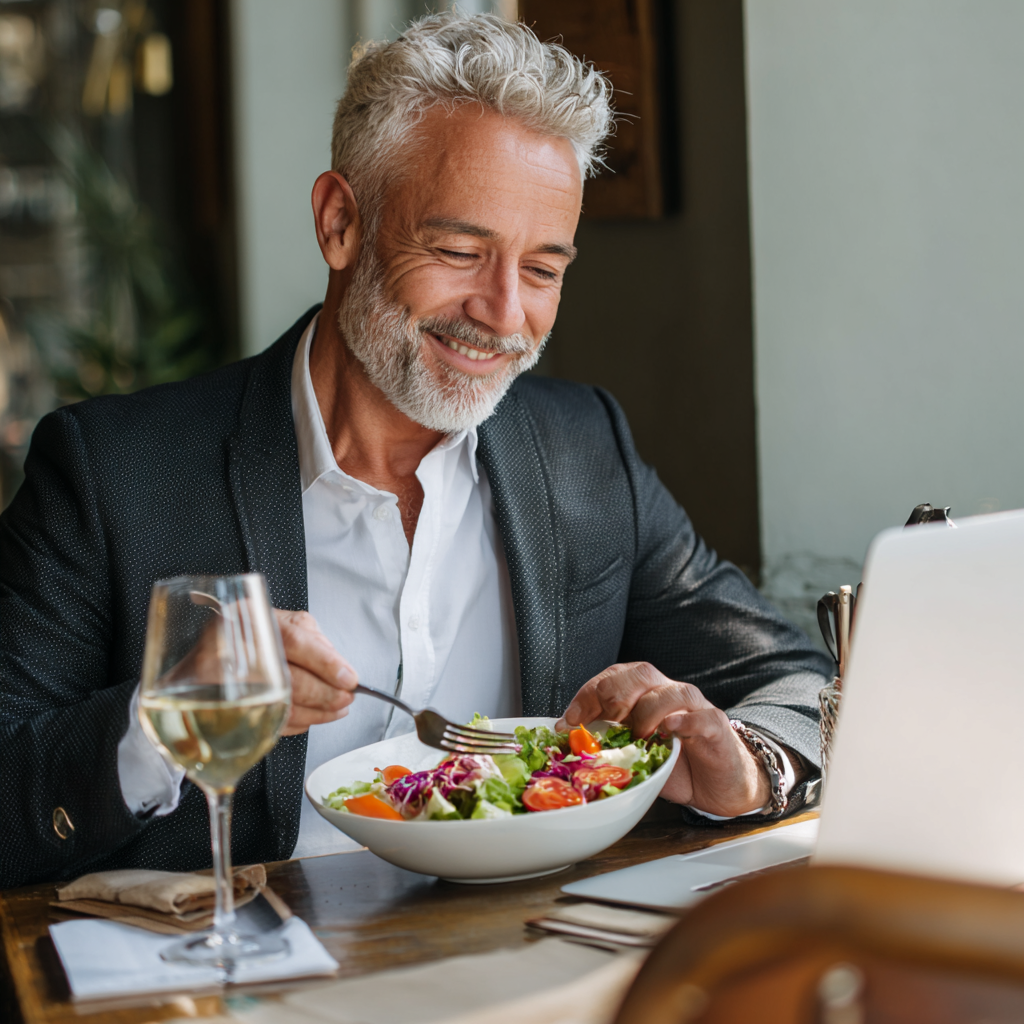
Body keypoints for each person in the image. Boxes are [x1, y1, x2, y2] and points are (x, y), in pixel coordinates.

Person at [0, 13, 831, 889]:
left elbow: (798, 682)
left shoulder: (585, 449)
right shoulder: (112, 473)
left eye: (543, 270)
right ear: (340, 224)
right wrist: (171, 718)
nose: (504, 313)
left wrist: (745, 761)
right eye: (459, 250)